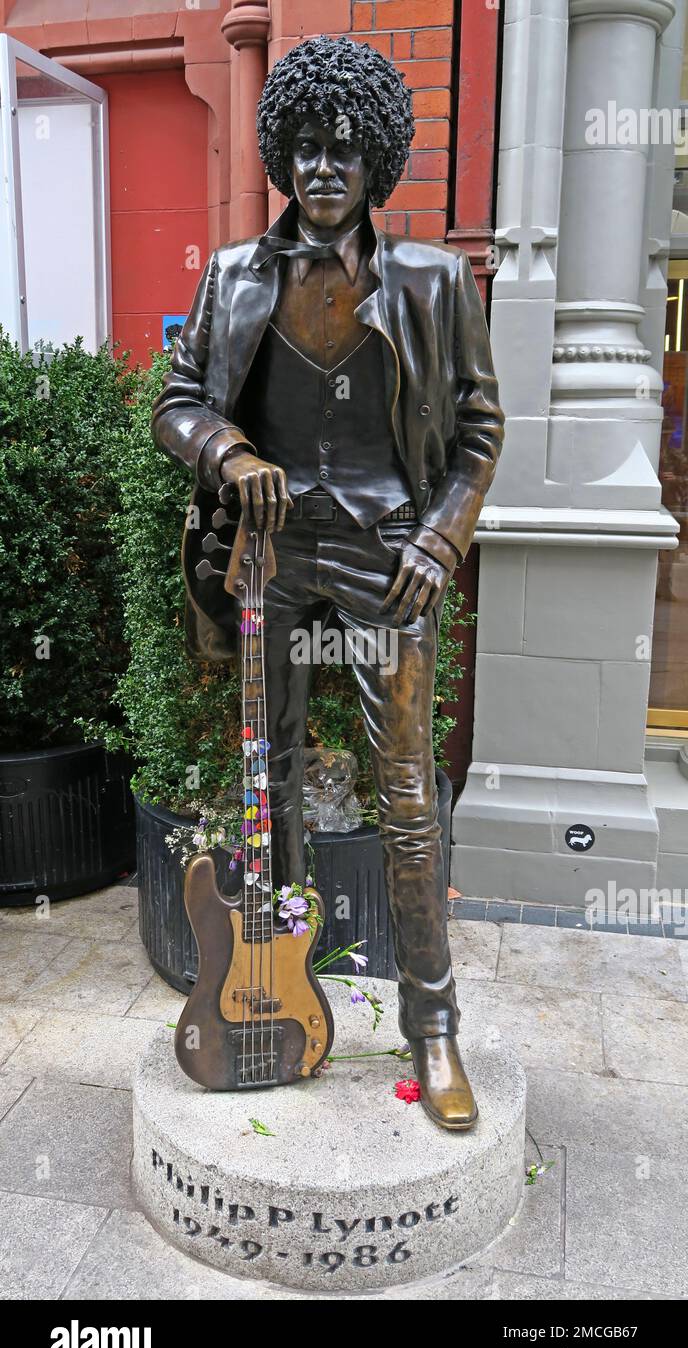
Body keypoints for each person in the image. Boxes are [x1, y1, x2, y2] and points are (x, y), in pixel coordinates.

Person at [152, 35, 504, 1130]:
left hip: (388, 556)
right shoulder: (232, 276)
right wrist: (227, 452)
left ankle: (432, 1029)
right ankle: (284, 992)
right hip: (269, 556)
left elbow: (481, 431)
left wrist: (440, 542)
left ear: (376, 163)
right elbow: (176, 402)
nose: (318, 169)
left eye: (341, 151)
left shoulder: (435, 284)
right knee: (271, 775)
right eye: (300, 148)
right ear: (279, 157)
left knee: (404, 796)